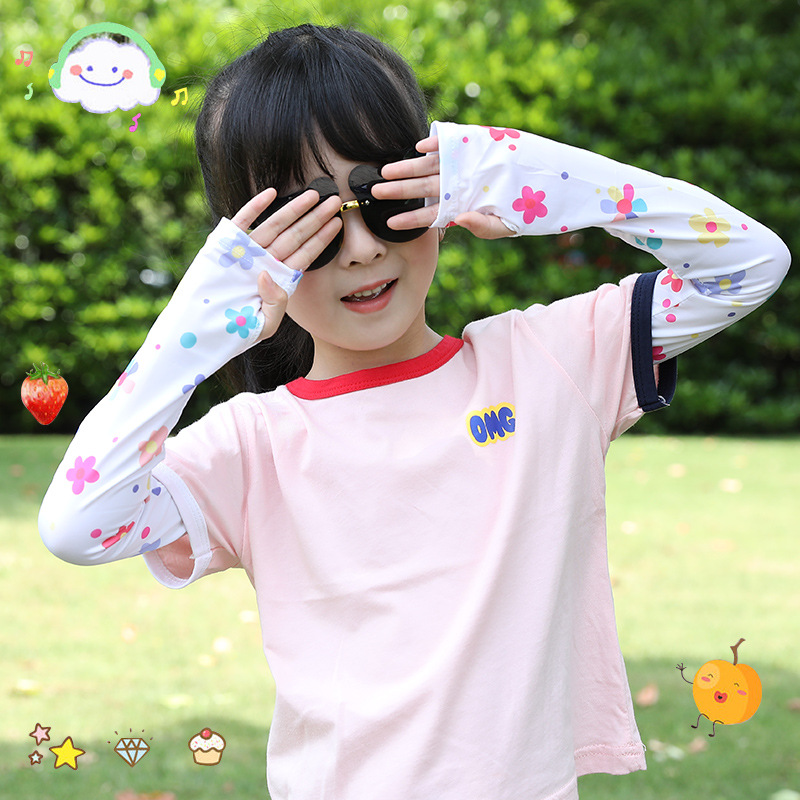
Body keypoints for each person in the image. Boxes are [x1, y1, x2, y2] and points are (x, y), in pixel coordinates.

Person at [38, 23, 789, 800]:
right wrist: (202, 321)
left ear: (440, 187)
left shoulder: (551, 364)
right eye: (312, 225)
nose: (361, 248)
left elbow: (746, 263)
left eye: (383, 198)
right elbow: (77, 523)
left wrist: (523, 174)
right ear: (252, 253)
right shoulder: (255, 447)